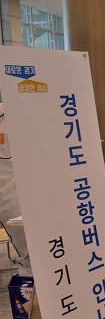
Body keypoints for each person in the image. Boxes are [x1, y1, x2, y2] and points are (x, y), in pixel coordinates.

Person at [0, 102, 32, 276]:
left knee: (27, 246)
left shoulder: (11, 115)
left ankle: (33, 293)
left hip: (11, 192)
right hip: (10, 191)